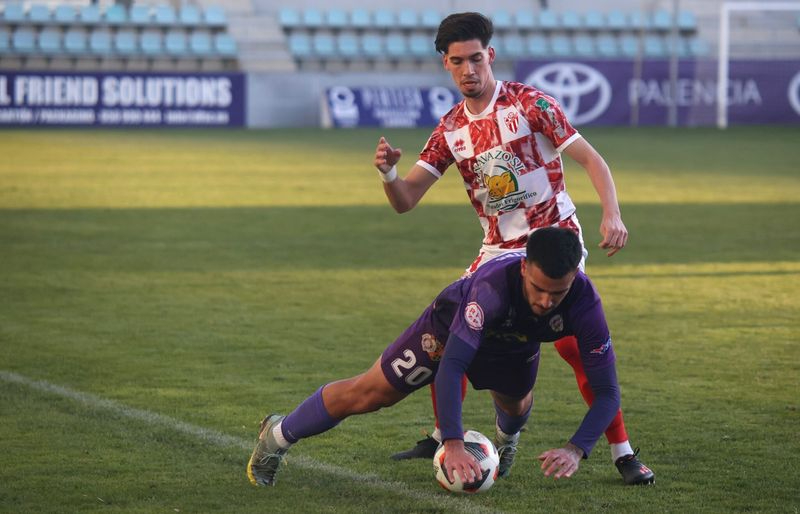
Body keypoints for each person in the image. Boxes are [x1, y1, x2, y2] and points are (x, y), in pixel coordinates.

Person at [373, 12, 654, 485]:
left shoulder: (531, 104)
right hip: (497, 250)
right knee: (452, 327)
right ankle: (447, 434)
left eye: (476, 59)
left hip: (553, 239)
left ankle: (622, 452)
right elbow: (405, 202)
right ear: (446, 64)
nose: (469, 70)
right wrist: (388, 174)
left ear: (491, 56)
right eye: (458, 61)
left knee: (572, 343)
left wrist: (613, 214)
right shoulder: (448, 131)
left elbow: (592, 159)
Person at [248, 228, 632, 487]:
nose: (546, 301)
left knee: (515, 407)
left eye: (558, 293)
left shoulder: (586, 303)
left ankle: (506, 439)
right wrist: (451, 442)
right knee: (371, 394)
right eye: (538, 288)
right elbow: (453, 367)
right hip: (447, 331)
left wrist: (576, 447)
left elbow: (607, 392)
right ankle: (277, 436)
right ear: (523, 267)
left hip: (516, 342)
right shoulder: (490, 290)